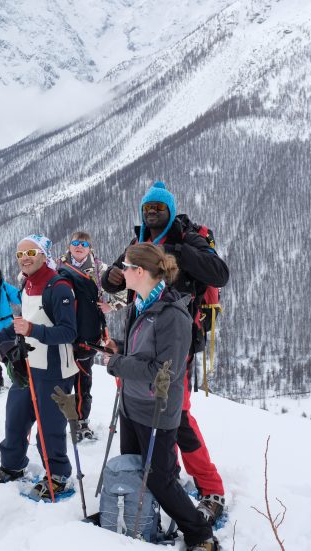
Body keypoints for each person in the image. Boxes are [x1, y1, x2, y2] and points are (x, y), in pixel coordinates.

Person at [101, 181, 229, 524]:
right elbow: (111, 281)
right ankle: (159, 479)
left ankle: (209, 487)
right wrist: (113, 276)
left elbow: (219, 273)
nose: (152, 213)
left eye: (158, 208)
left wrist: (177, 251)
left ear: (170, 210)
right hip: (138, 338)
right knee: (140, 412)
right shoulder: (138, 240)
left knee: (177, 416)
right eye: (147, 208)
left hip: (175, 340)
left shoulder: (188, 238)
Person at [103, 243, 217, 551]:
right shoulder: (141, 305)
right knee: (136, 469)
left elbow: (164, 370)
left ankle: (200, 534)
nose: (121, 272)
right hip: (132, 404)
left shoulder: (172, 315)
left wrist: (117, 364)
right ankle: (143, 521)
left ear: (139, 271)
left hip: (157, 409)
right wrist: (118, 348)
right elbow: (143, 350)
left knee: (160, 479)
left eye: (125, 267)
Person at [0, 235, 78, 500]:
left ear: (44, 255)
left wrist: (33, 330)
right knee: (15, 419)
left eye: (31, 252)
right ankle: (12, 466)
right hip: (27, 365)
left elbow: (69, 332)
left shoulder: (59, 287)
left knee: (50, 428)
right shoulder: (27, 284)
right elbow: (24, 322)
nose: (24, 258)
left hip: (55, 369)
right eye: (20, 254)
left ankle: (58, 476)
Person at [57, 231, 112, 441]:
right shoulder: (56, 265)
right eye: (75, 243)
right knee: (61, 378)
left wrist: (111, 305)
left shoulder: (99, 269)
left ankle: (81, 420)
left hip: (88, 331)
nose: (79, 247)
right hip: (62, 330)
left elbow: (125, 289)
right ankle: (59, 420)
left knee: (83, 378)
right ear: (69, 246)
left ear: (90, 248)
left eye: (84, 244)